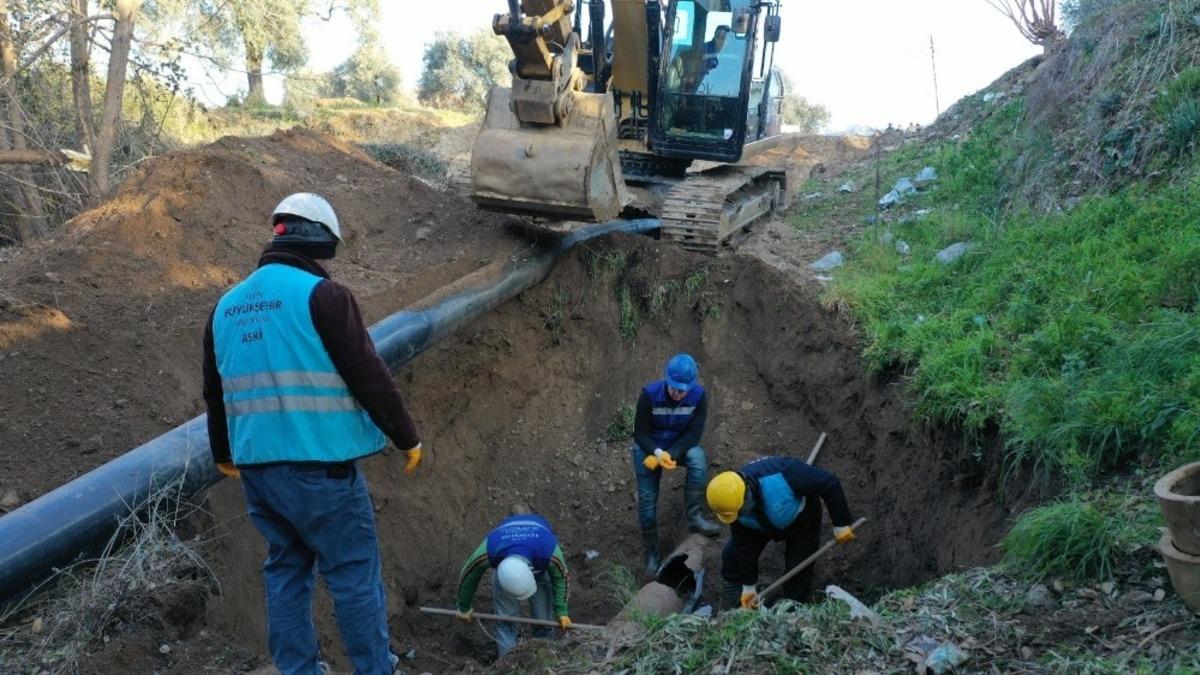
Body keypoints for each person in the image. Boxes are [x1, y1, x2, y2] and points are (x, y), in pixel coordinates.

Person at [202, 192, 423, 675]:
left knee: (285, 568)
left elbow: (215, 392)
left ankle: (298, 670)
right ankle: (374, 669)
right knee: (353, 574)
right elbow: (367, 373)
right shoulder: (323, 296)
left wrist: (223, 452)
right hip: (321, 471)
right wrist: (406, 436)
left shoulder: (225, 307)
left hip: (259, 472)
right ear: (319, 243)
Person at [706, 456, 857, 610]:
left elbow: (829, 483)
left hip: (802, 522)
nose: (738, 516)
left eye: (739, 511)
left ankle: (791, 609)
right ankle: (735, 601)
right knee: (732, 555)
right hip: (759, 526)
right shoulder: (732, 504)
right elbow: (744, 547)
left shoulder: (784, 473)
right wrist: (748, 587)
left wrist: (841, 523)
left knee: (798, 571)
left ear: (745, 496)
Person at [632, 353, 721, 578]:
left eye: (683, 390)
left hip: (677, 447)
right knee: (647, 502)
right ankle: (653, 553)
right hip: (649, 450)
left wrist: (670, 454)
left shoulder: (699, 397)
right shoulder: (649, 395)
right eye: (674, 388)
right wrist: (657, 453)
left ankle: (694, 517)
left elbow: (693, 435)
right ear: (667, 380)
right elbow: (640, 433)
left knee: (697, 457)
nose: (678, 394)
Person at [454, 512, 571, 657]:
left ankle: (544, 657)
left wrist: (562, 611)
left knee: (543, 620)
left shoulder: (548, 550)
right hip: (505, 568)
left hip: (539, 563)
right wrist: (463, 606)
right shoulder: (490, 549)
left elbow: (561, 577)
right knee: (506, 621)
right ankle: (507, 664)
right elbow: (469, 573)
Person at [676, 25, 730, 93]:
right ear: (715, 37)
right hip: (699, 90)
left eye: (725, 38)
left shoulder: (732, 56)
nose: (723, 41)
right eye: (720, 37)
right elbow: (697, 62)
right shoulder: (704, 48)